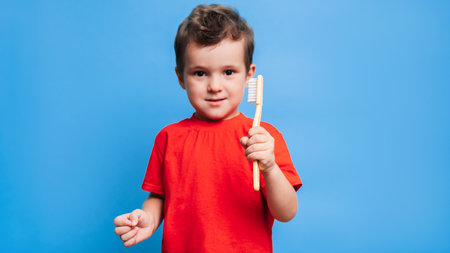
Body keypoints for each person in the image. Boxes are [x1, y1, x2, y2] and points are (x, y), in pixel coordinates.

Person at [113, 4, 302, 252]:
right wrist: (148, 219)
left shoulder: (264, 139)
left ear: (248, 76)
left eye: (229, 72)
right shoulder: (168, 138)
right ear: (181, 77)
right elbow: (159, 197)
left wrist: (269, 167)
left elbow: (287, 212)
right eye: (200, 73)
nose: (214, 86)